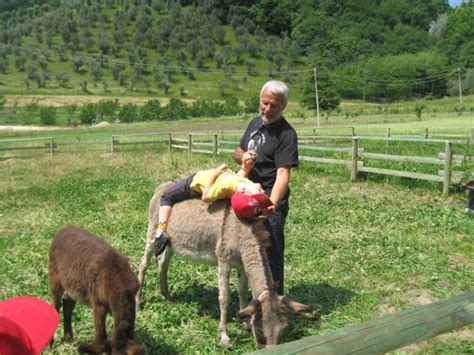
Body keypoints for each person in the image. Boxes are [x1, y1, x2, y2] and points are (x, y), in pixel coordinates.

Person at [234, 80, 298, 294]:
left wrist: (270, 206)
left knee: (271, 253)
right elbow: (238, 150)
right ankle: (251, 296)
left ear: (283, 107)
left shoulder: (286, 135)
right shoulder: (254, 123)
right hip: (246, 196)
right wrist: (243, 156)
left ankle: (275, 302)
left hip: (269, 200)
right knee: (247, 249)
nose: (268, 109)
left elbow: (282, 174)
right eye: (265, 103)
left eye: (274, 106)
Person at [154, 162, 274, 255]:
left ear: (243, 192)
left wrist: (216, 173)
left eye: (258, 192)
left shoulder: (225, 187)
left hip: (196, 181)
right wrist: (245, 169)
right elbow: (238, 178)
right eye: (260, 192)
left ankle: (161, 231)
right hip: (212, 178)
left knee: (166, 196)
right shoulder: (246, 184)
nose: (262, 190)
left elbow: (205, 196)